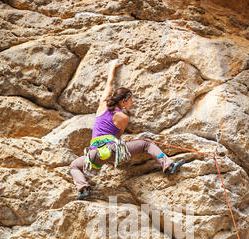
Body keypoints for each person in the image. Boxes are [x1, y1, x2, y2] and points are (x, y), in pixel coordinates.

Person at [70, 59, 185, 200]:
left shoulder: (102, 105)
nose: (132, 102)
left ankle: (83, 189)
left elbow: (109, 84)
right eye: (130, 100)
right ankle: (168, 166)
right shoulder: (123, 117)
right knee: (146, 144)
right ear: (123, 101)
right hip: (112, 151)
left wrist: (112, 67)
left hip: (95, 154)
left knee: (74, 165)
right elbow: (117, 139)